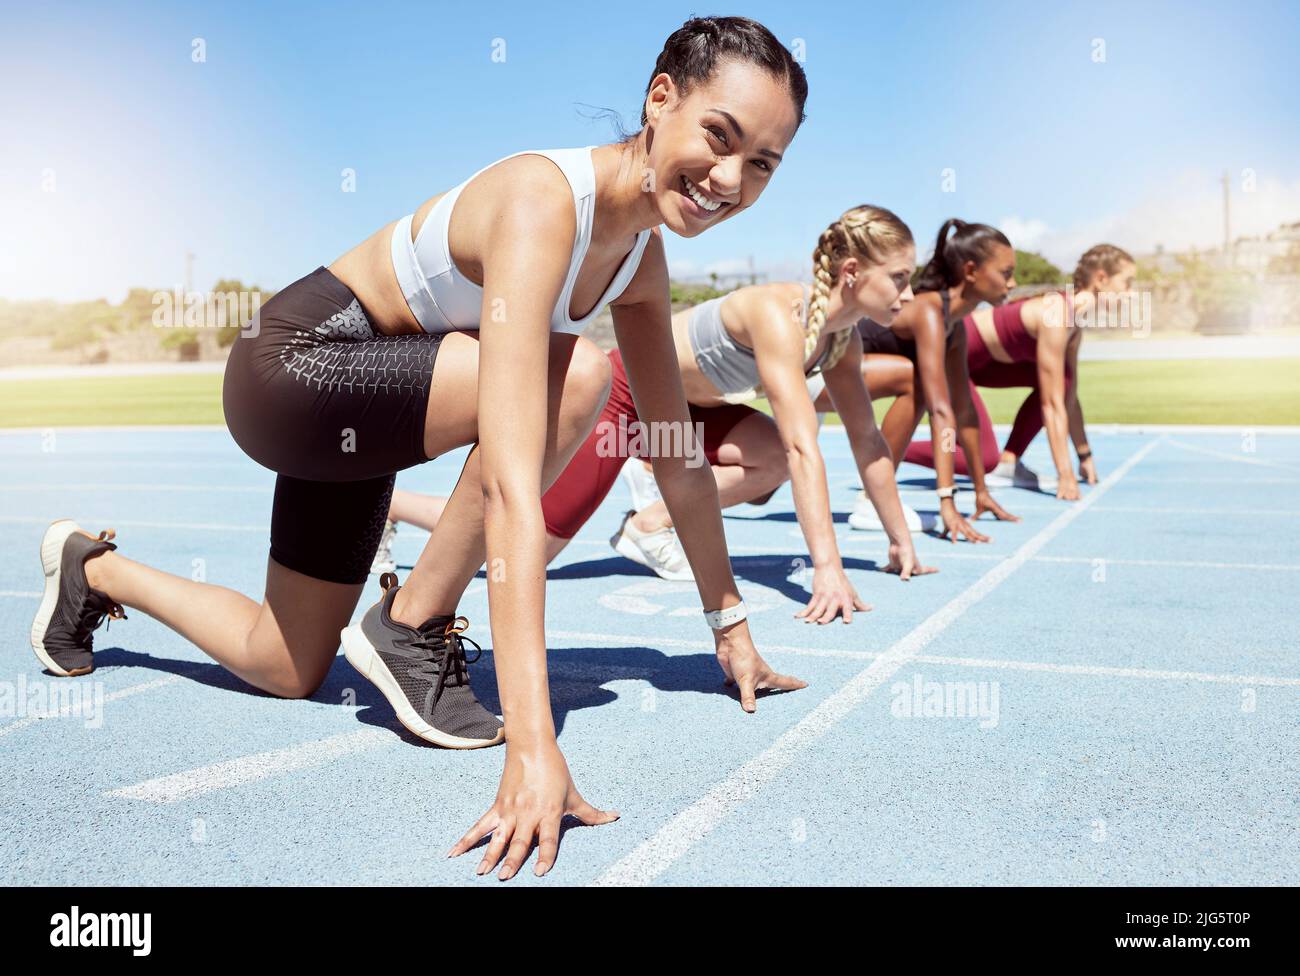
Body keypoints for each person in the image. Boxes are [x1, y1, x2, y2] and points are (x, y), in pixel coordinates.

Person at [29, 16, 809, 882]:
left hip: (365, 411)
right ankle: (412, 625)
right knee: (581, 376)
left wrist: (728, 624)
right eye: (720, 137)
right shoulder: (543, 201)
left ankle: (92, 570)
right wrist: (533, 748)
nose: (731, 179)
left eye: (764, 164)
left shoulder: (641, 259)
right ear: (661, 99)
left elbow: (674, 453)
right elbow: (513, 485)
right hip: (294, 365)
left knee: (285, 664)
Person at [817, 220, 1020, 541]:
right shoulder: (929, 312)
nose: (1012, 283)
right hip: (819, 378)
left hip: (846, 382)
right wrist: (947, 500)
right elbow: (940, 412)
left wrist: (980, 490)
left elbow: (963, 412)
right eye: (1006, 273)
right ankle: (872, 499)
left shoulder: (955, 327)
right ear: (971, 271)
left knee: (761, 490)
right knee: (917, 382)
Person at [904, 244, 1136, 501]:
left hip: (983, 365)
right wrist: (1065, 474)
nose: (1130, 292)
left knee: (1064, 381)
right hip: (947, 358)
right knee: (983, 459)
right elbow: (1051, 405)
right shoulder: (1056, 313)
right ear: (1101, 279)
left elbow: (1068, 397)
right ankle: (891, 448)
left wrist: (1085, 455)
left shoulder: (1073, 326)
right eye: (1127, 282)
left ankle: (1010, 461)